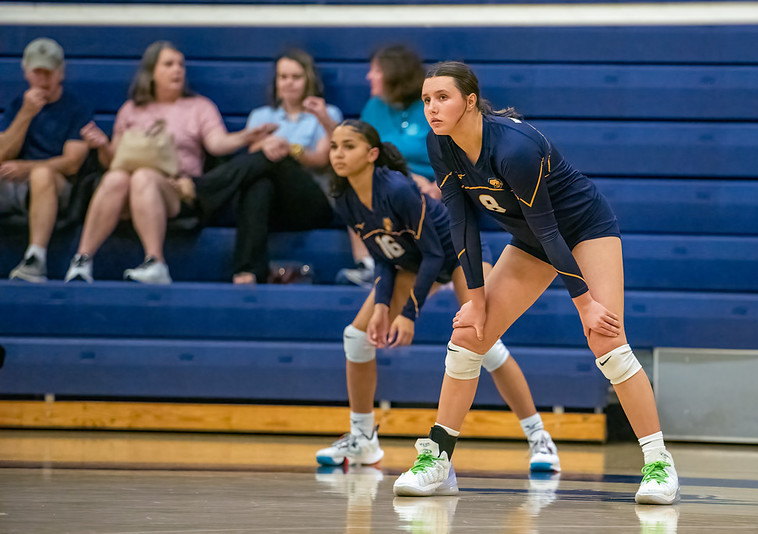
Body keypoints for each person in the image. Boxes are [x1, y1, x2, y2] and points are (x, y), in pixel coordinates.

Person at [393, 61, 679, 505]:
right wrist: (476, 300)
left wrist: (585, 305)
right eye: (427, 99)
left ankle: (659, 464)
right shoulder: (440, 144)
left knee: (607, 340)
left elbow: (550, 229)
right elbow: (461, 223)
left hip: (583, 230)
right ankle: (439, 461)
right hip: (531, 240)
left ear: (470, 101)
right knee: (469, 334)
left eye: (443, 97)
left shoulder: (515, 148)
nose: (432, 108)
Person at [315, 120, 560, 476]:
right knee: (356, 337)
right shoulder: (344, 196)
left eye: (348, 146)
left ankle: (539, 437)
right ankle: (363, 438)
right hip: (413, 263)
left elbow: (434, 253)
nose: (338, 154)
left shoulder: (397, 189)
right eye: (334, 147)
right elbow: (384, 256)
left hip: (458, 255)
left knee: (485, 343)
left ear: (371, 154)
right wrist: (382, 306)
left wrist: (408, 314)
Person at [64, 40, 269, 283]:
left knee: (143, 177)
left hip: (176, 189)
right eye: (169, 64)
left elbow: (217, 143)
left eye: (181, 65)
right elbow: (113, 160)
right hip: (127, 190)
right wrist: (101, 146)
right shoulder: (131, 109)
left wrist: (246, 136)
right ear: (152, 72)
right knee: (115, 177)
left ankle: (156, 262)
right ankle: (82, 260)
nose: (177, 70)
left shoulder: (199, 107)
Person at [195, 48, 339, 284]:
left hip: (311, 201)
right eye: (283, 77)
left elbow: (323, 161)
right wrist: (267, 146)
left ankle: (199, 189)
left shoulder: (327, 113)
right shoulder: (261, 116)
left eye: (296, 77)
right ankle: (247, 272)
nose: (289, 83)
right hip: (271, 205)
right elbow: (254, 162)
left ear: (309, 80)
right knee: (258, 183)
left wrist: (290, 149)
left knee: (275, 159)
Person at [337, 45, 439, 289]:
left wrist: (439, 187)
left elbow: (460, 155)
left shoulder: (430, 105)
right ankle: (368, 266)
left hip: (435, 187)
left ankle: (432, 270)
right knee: (353, 185)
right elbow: (363, 154)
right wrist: (407, 178)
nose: (368, 76)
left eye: (375, 70)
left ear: (394, 73)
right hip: (390, 181)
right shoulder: (373, 107)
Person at [1, 37, 93, 282]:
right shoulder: (18, 106)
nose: (43, 80)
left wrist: (27, 168)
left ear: (61, 72)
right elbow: (2, 154)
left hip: (56, 184)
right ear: (26, 72)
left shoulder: (76, 109)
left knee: (41, 175)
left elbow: (72, 163)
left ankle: (36, 258)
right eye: (37, 72)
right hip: (14, 181)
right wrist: (25, 115)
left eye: (48, 73)